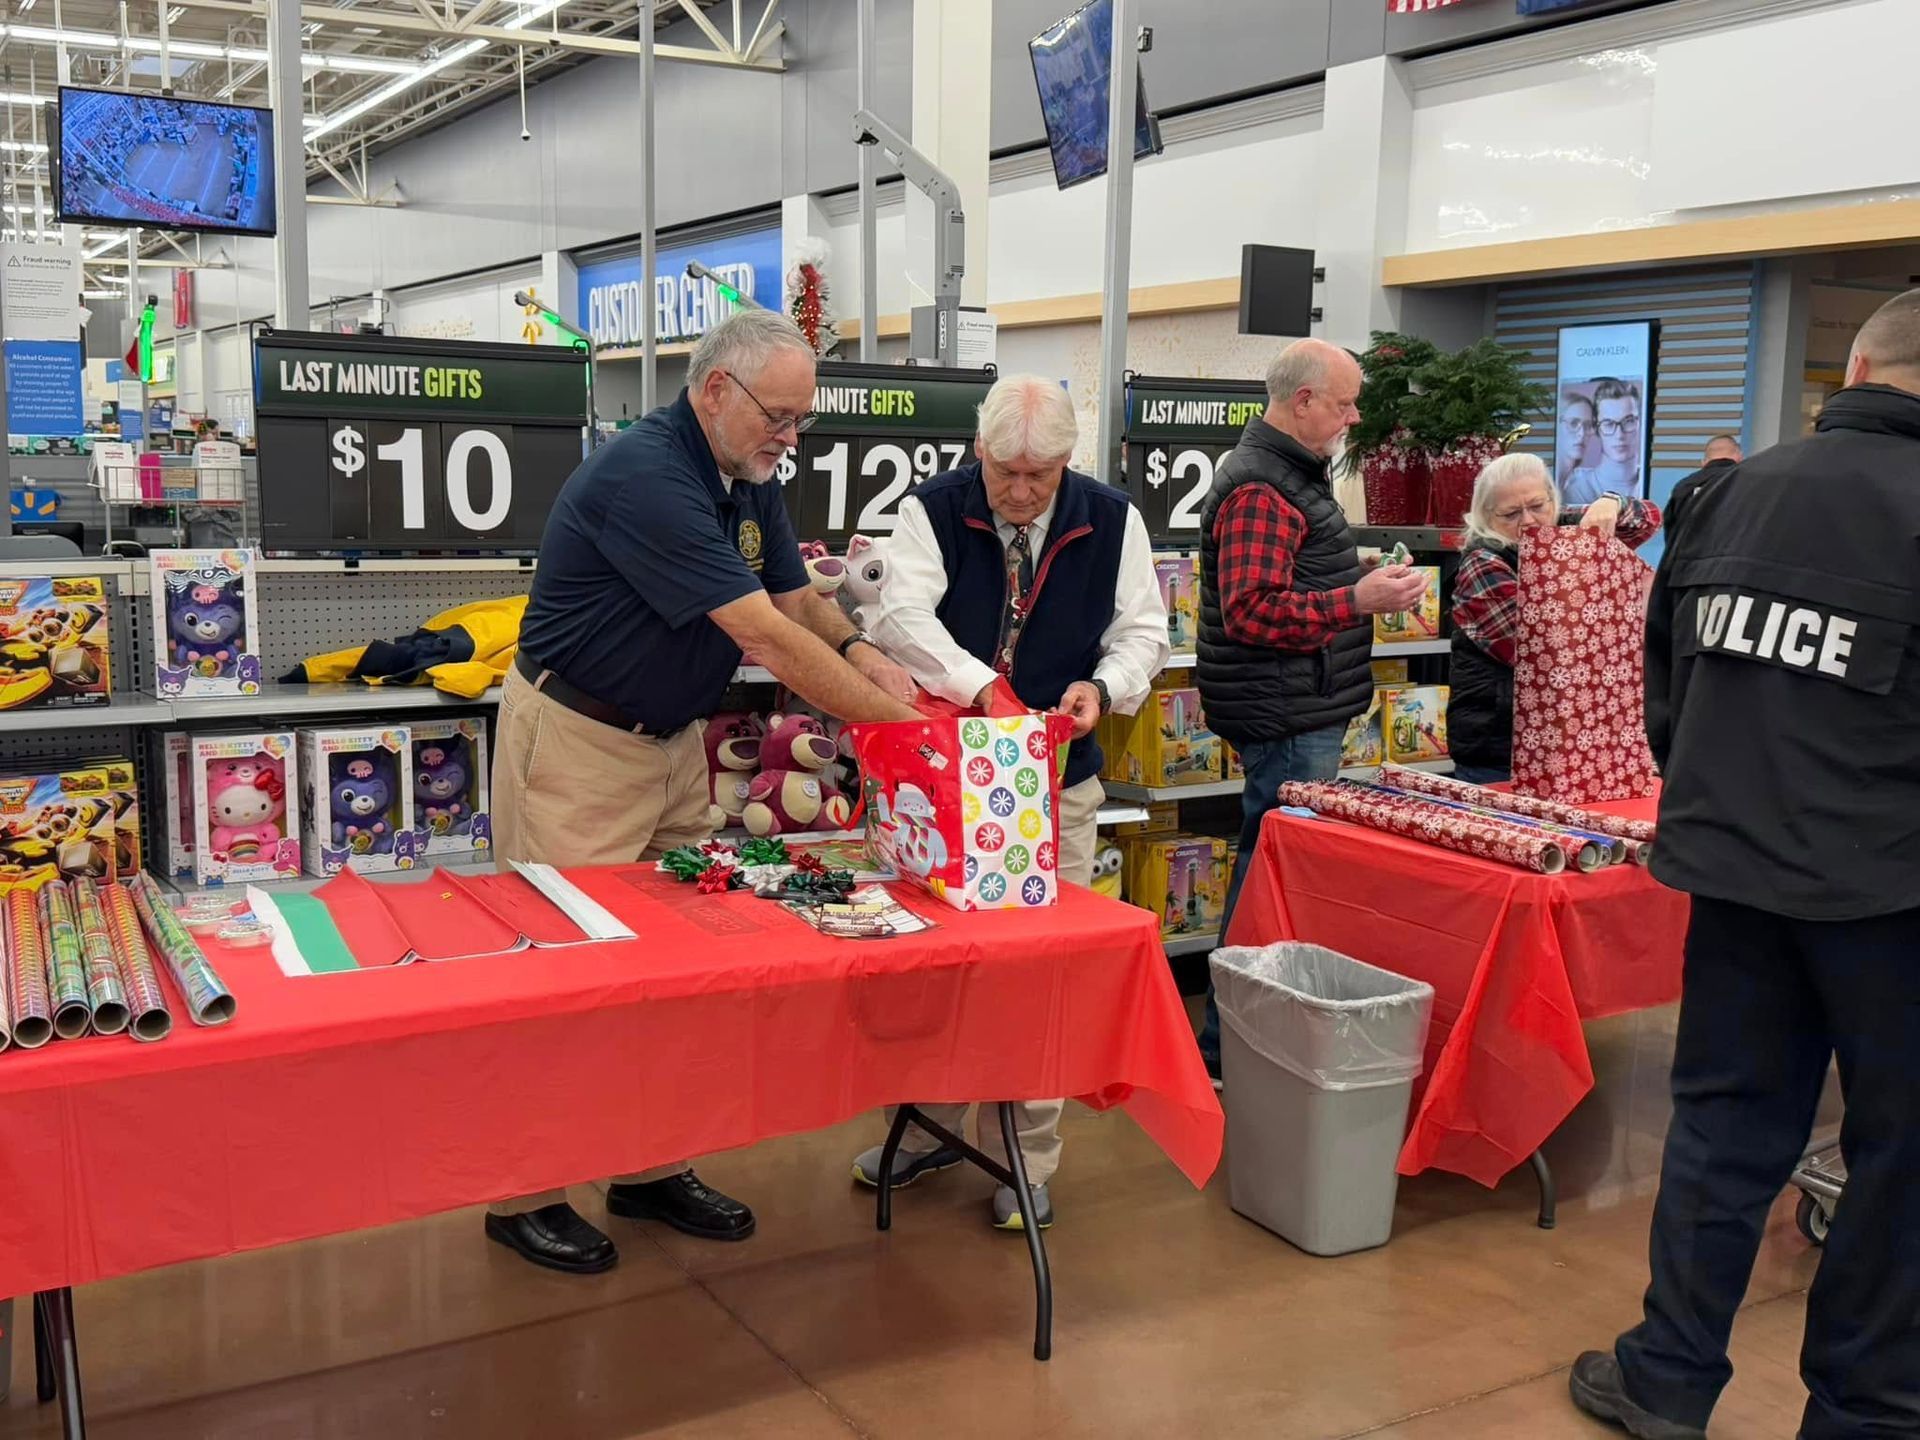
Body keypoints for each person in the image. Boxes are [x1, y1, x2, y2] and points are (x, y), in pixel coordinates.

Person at [483, 308, 920, 1276]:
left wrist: (865, 656)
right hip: (577, 748)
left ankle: (646, 1165)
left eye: (802, 421)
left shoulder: (745, 470)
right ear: (715, 389)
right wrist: (903, 734)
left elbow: (798, 596)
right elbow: (760, 635)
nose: (791, 437)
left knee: (670, 968)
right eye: (781, 415)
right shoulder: (648, 477)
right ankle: (526, 1194)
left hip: (671, 744)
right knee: (568, 977)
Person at [1569, 288, 1920, 1440]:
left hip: (1734, 874)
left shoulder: (1726, 495)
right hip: (1891, 896)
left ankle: (1667, 1377)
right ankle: (1864, 1412)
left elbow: (1668, 693)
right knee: (1897, 1163)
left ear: (1855, 370)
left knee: (1721, 1134)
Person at [850, 373, 1170, 1231]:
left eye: (1042, 475)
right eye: (1006, 474)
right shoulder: (932, 509)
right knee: (929, 966)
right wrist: (980, 687)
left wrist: (1104, 687)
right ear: (978, 450)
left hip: (1057, 787)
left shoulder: (1112, 518)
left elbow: (1146, 629)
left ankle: (1028, 1157)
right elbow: (895, 616)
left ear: (1070, 460)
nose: (1022, 494)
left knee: (1041, 973)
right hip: (941, 786)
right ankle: (919, 1128)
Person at [1192, 338, 1430, 1082]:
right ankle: (1231, 1046)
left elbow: (1275, 579)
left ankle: (1238, 1042)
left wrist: (1340, 568)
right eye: (1345, 402)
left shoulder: (1287, 476)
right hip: (1288, 717)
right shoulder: (1265, 485)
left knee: (1268, 872)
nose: (1353, 417)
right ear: (1302, 402)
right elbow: (1252, 612)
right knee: (1270, 882)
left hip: (1296, 707)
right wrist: (1354, 598)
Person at [1448, 452, 1660, 785]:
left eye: (1537, 506)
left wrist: (1611, 503)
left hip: (1575, 741)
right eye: (1511, 513)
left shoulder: (1561, 529)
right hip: (1503, 750)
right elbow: (1539, 652)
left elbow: (1648, 518)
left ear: (1552, 499)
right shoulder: (1483, 564)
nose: (1529, 521)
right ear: (1486, 516)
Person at [1564, 378, 1644, 507]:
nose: (1619, 435)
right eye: (1608, 424)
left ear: (1640, 423)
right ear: (1596, 428)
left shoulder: (1648, 481)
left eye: (1628, 421)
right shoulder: (1578, 487)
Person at [1661, 433, 1742, 538]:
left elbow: (1671, 529)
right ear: (1739, 457)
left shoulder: (1684, 487)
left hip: (1690, 553)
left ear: (1703, 462)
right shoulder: (1749, 484)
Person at [1557, 390, 1597, 486]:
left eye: (1587, 425)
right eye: (1573, 423)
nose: (1582, 433)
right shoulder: (1540, 477)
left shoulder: (1585, 481)